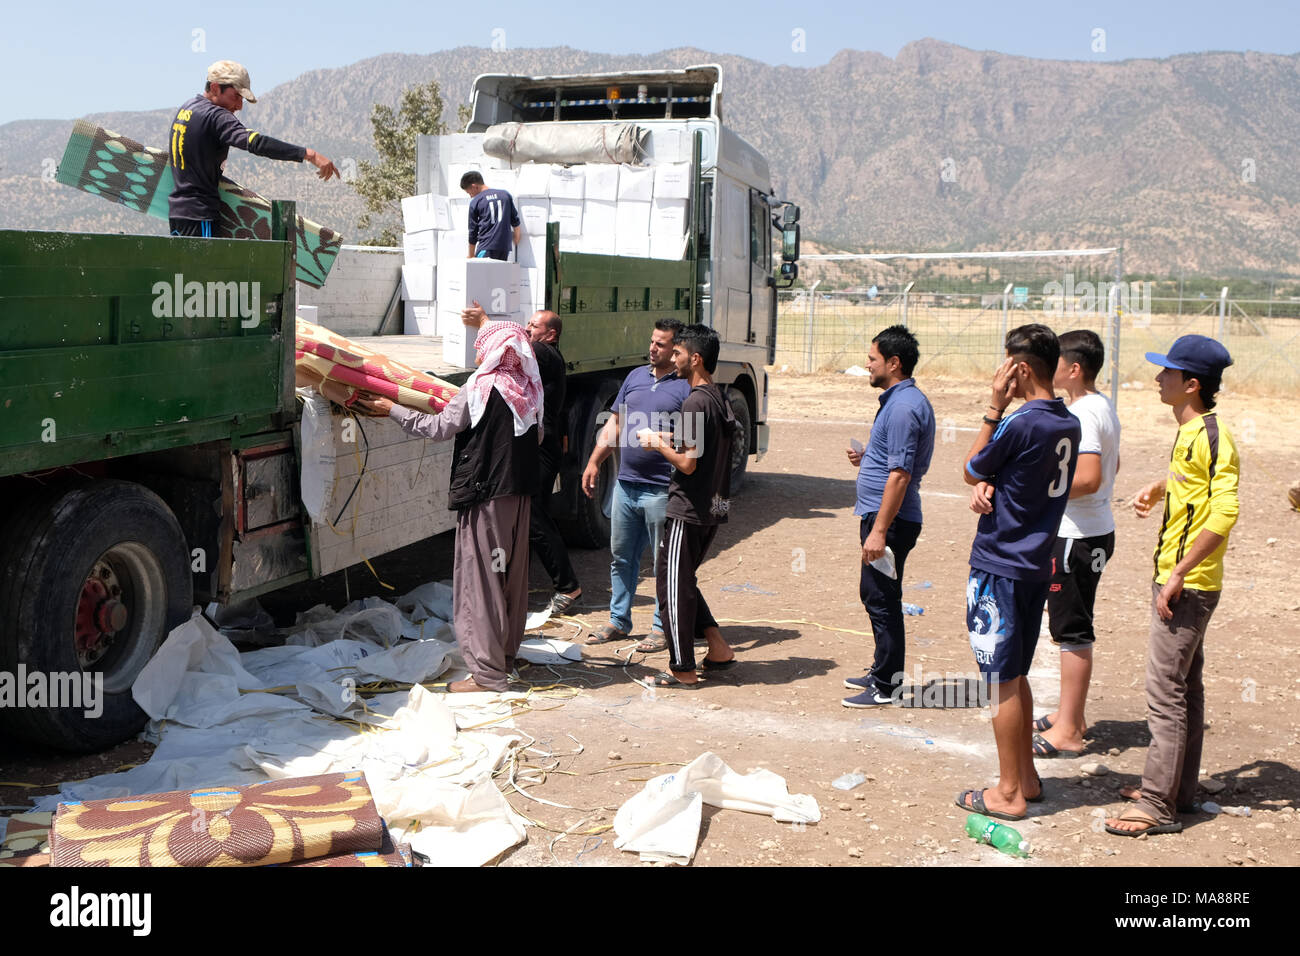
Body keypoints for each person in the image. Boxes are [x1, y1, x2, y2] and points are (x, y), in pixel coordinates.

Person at [353, 313, 543, 693]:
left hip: (486, 497)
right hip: (518, 498)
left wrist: (390, 408)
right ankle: (505, 656)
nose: (477, 355)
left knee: (481, 581)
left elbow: (438, 428)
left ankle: (488, 675)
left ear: (493, 349)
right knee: (509, 577)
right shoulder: (529, 389)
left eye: (481, 346)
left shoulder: (482, 387)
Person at [1106, 335, 1237, 837]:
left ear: (1192, 384)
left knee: (1165, 694)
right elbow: (1196, 482)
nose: (1159, 379)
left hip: (1189, 585)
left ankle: (1158, 804)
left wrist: (1178, 574)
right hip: (1184, 580)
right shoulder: (1192, 433)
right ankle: (1177, 791)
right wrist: (1161, 488)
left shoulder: (1212, 435)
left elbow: (1226, 510)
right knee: (1186, 687)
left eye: (1168, 373)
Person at [955, 324, 1080, 821]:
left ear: (1020, 369)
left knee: (1000, 679)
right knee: (1018, 673)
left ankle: (1007, 791)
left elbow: (971, 466)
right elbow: (1009, 475)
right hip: (1034, 563)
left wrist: (993, 407)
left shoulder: (1021, 420)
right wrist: (993, 486)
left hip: (1001, 565)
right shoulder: (1065, 421)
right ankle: (1026, 775)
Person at [1025, 330, 1121, 757]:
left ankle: (1069, 730)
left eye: (1058, 361)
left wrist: (1039, 488)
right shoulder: (1101, 406)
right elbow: (1113, 464)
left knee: (1071, 631)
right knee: (1070, 624)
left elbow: (1088, 477)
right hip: (1093, 530)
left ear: (1075, 368)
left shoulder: (1083, 413)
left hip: (1077, 537)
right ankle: (1072, 715)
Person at [581, 319, 691, 649]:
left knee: (662, 563)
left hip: (661, 489)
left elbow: (694, 437)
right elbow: (614, 423)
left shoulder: (686, 387)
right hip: (626, 485)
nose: (652, 348)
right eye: (652, 341)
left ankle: (661, 627)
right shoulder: (634, 377)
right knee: (622, 557)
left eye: (660, 344)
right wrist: (594, 461)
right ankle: (619, 620)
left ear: (676, 349)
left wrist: (662, 438)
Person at [842, 325, 935, 707]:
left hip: (891, 521)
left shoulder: (902, 408)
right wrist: (867, 462)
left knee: (881, 597)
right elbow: (892, 466)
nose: (867, 366)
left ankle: (887, 685)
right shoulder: (899, 401)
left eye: (872, 359)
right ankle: (883, 668)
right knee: (877, 593)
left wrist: (878, 531)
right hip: (886, 516)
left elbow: (900, 474)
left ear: (893, 363)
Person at [638, 324, 735, 686]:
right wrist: (664, 437)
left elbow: (688, 462)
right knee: (684, 579)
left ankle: (683, 669)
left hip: (688, 508)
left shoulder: (694, 400)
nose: (672, 358)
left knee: (670, 586)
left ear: (694, 358)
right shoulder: (716, 396)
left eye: (677, 353)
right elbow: (698, 439)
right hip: (713, 505)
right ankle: (719, 649)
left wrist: (657, 444)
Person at [167, 60, 338, 237]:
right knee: (205, 266)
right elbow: (257, 143)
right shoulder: (217, 116)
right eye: (236, 96)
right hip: (200, 215)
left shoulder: (186, 109)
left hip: (178, 214)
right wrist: (308, 154)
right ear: (216, 88)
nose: (239, 106)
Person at [524, 309, 582, 614]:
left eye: (534, 325)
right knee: (533, 515)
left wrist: (484, 323)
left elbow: (518, 345)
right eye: (528, 323)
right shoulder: (542, 356)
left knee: (534, 515)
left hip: (543, 448)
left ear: (551, 334)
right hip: (540, 444)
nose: (527, 328)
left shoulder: (546, 353)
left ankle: (568, 586)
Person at [461, 171, 521, 261]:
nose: (470, 196)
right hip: (504, 248)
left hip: (486, 246)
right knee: (498, 275)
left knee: (482, 275)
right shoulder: (505, 195)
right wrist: (517, 237)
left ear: (474, 186)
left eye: (469, 193)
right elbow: (515, 220)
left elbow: (473, 231)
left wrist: (471, 255)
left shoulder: (476, 201)